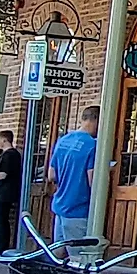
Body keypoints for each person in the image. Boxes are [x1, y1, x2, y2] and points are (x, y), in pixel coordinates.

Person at [47, 105, 101, 246]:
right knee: (79, 256)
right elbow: (93, 181)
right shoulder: (92, 145)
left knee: (58, 252)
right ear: (96, 120)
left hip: (60, 205)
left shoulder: (63, 140)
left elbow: (51, 175)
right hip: (78, 209)